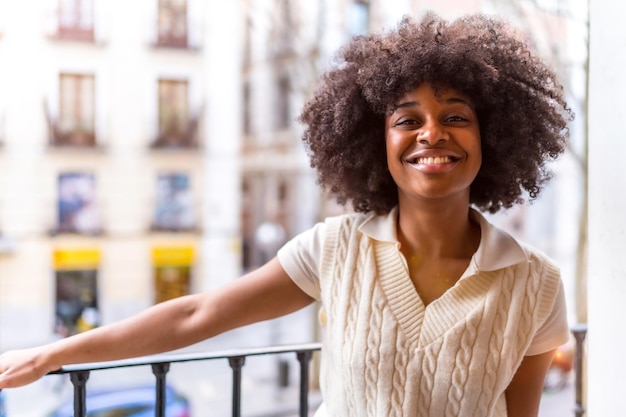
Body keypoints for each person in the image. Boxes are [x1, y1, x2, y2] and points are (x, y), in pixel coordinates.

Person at [0, 11, 572, 417]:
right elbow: (195, 315)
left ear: (492, 137)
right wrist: (53, 354)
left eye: (455, 116)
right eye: (406, 119)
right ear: (375, 143)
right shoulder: (334, 250)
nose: (431, 132)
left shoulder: (536, 283)